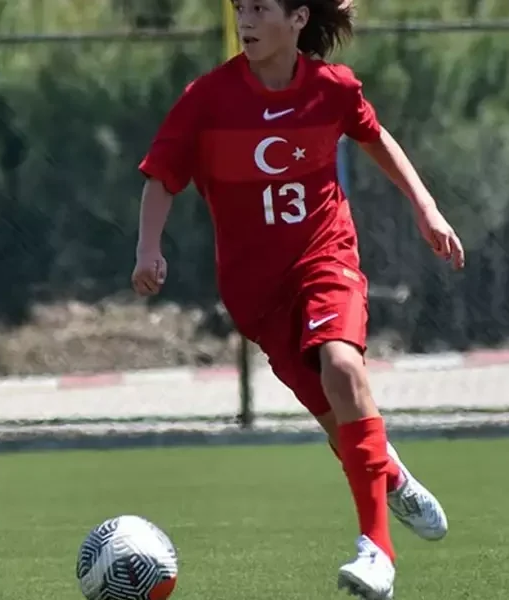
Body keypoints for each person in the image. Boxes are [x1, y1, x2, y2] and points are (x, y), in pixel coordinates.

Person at [131, 0, 465, 597]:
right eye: (240, 7)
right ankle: (389, 472)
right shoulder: (207, 98)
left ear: (298, 19)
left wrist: (427, 208)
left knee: (343, 366)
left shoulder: (331, 89)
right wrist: (147, 248)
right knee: (340, 422)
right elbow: (162, 176)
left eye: (260, 7)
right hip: (256, 293)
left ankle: (377, 552)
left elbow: (375, 135)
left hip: (325, 258)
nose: (246, 20)